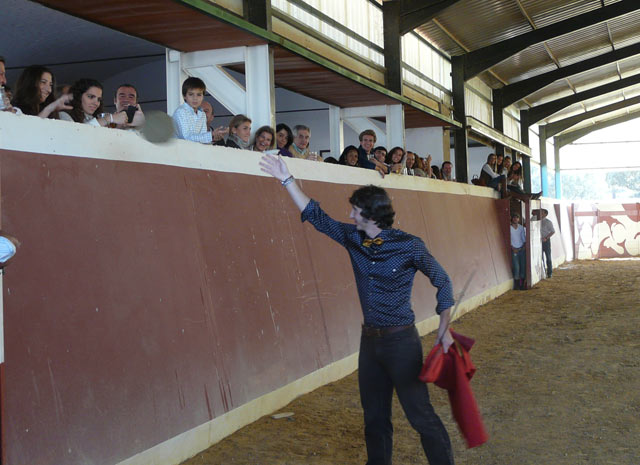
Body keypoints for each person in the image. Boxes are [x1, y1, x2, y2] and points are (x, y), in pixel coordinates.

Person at [259, 154, 455, 465]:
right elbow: (316, 216)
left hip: (402, 343)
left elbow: (442, 281)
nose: (349, 215)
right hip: (370, 344)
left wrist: (444, 330)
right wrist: (286, 179)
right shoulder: (353, 238)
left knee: (420, 417)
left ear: (371, 215)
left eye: (355, 210)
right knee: (374, 419)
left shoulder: (410, 245)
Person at [59, 78, 125, 127]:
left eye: (99, 99)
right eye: (90, 97)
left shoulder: (98, 119)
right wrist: (108, 118)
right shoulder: (63, 115)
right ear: (78, 96)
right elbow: (77, 135)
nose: (96, 103)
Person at [172, 77, 215, 143]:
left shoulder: (202, 114)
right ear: (184, 96)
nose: (195, 98)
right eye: (191, 94)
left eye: (199, 95)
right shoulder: (180, 112)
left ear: (203, 96)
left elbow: (203, 139)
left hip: (194, 151)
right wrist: (211, 135)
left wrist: (214, 136)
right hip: (177, 151)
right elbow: (186, 138)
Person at [510, 212, 526, 290]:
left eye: (517, 218)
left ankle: (521, 285)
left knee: (523, 267)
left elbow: (524, 239)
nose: (515, 219)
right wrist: (513, 248)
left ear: (519, 219)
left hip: (521, 249)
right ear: (512, 219)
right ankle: (516, 285)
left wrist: (523, 246)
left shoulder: (521, 228)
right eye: (514, 218)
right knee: (516, 267)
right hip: (514, 250)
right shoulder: (509, 228)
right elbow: (508, 239)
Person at [540, 209, 555, 278]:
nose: (540, 214)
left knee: (548, 257)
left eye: (542, 213)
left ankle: (549, 273)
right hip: (538, 241)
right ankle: (542, 271)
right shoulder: (535, 220)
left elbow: (552, 231)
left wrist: (546, 238)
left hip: (546, 241)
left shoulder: (548, 222)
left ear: (545, 214)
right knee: (540, 257)